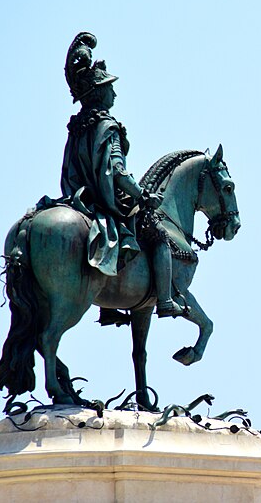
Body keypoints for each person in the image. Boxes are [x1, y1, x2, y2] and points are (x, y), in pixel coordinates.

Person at [61, 32, 187, 318]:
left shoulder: (78, 125)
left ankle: (109, 307)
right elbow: (116, 171)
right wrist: (142, 194)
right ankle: (165, 301)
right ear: (99, 93)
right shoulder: (107, 126)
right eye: (109, 88)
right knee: (157, 233)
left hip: (80, 198)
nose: (114, 93)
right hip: (106, 199)